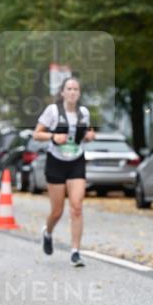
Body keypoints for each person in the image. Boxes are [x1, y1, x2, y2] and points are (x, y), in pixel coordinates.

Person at [33, 77, 96, 267]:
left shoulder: (83, 112)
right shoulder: (52, 111)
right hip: (56, 162)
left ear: (79, 93)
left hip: (76, 161)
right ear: (62, 92)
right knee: (57, 211)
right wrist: (53, 136)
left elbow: (89, 132)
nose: (73, 92)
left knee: (76, 207)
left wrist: (91, 136)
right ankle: (48, 232)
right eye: (69, 88)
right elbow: (37, 134)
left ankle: (75, 252)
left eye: (76, 89)